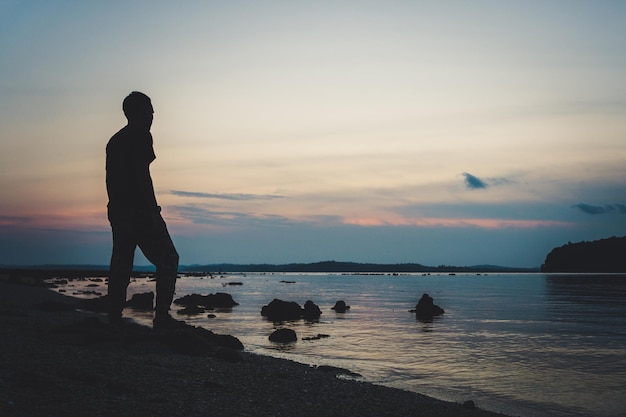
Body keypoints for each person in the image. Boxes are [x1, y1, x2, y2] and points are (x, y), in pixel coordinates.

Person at [106, 91, 182, 329]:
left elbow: (111, 179)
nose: (153, 114)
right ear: (141, 112)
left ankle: (113, 317)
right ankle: (161, 318)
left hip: (118, 211)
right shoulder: (141, 136)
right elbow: (142, 174)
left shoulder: (115, 140)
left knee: (122, 263)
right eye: (150, 109)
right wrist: (153, 211)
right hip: (138, 211)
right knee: (169, 258)